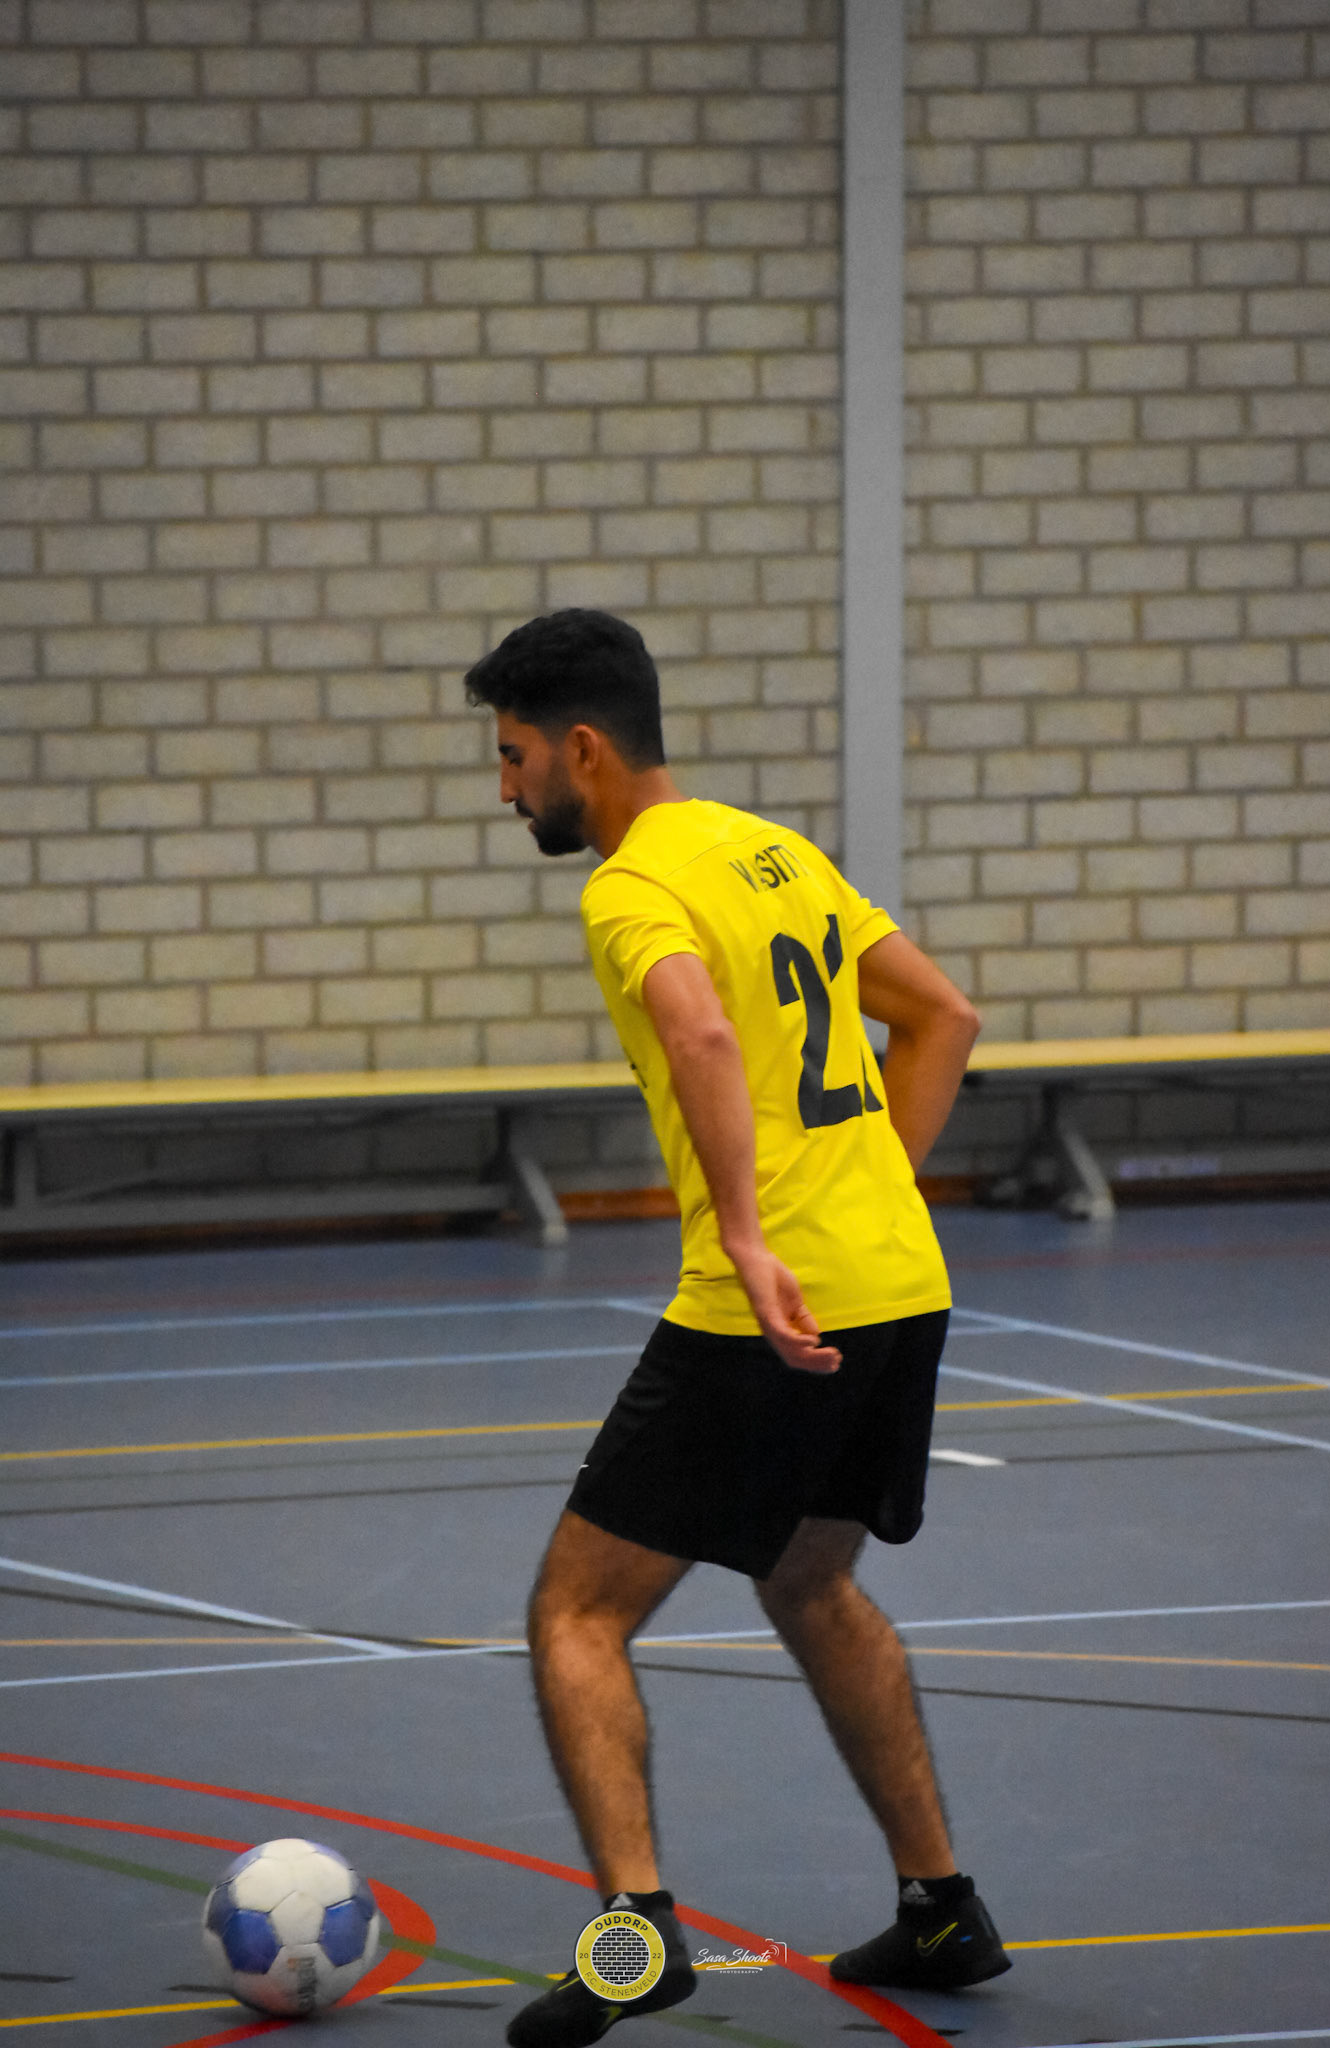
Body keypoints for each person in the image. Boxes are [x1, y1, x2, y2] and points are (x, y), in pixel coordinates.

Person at [465, 609, 1010, 2048]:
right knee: (810, 1582)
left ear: (583, 749)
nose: (505, 788)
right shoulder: (773, 852)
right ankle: (941, 1909)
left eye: (514, 757)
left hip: (766, 1309)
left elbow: (701, 1033)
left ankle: (636, 1937)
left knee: (576, 1612)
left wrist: (759, 1236)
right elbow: (944, 1018)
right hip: (898, 1283)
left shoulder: (631, 887)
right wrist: (863, 1198)